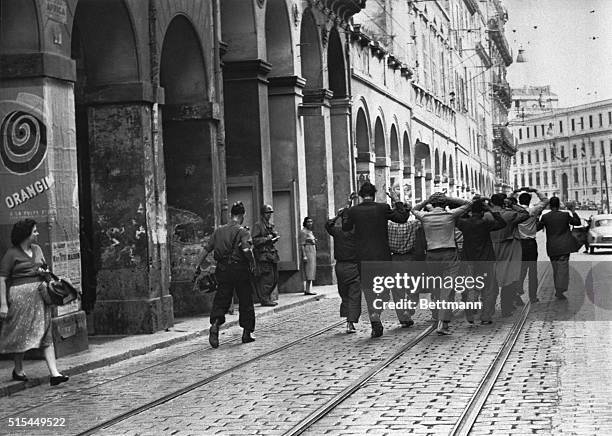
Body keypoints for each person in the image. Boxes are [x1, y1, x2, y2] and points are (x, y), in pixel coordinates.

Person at [0, 219, 69, 386]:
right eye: (35, 231)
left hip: (40, 296)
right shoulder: (11, 254)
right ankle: (18, 369)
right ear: (26, 235)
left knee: (46, 332)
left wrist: (45, 273)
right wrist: (3, 303)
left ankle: (54, 373)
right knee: (20, 332)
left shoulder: (37, 249)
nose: (37, 234)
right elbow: (1, 279)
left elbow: (46, 269)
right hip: (19, 298)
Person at [342, 181, 410, 338]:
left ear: (360, 195)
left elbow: (345, 227)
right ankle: (377, 313)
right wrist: (396, 199)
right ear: (374, 194)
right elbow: (402, 218)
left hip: (362, 258)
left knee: (368, 289)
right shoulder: (382, 208)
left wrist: (347, 206)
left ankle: (374, 318)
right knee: (385, 290)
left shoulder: (354, 211)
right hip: (382, 257)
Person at [196, 202, 257, 348]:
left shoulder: (219, 231)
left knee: (222, 298)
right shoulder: (243, 232)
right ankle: (247, 333)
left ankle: (215, 324)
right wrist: (252, 263)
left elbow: (205, 250)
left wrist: (197, 266)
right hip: (240, 270)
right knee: (245, 300)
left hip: (223, 270)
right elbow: (246, 250)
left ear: (231, 214)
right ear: (242, 216)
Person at [412, 192, 473, 335]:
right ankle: (443, 322)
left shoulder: (425, 216)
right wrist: (447, 198)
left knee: (437, 288)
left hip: (432, 255)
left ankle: (439, 316)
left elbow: (414, 209)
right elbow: (468, 204)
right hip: (449, 254)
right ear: (444, 203)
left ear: (432, 204)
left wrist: (428, 198)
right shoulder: (450, 215)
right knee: (448, 288)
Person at [456, 199, 507, 324]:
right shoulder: (486, 223)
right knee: (487, 288)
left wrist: (466, 209)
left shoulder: (465, 223)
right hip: (486, 259)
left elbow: (456, 219)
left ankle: (470, 311)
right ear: (483, 212)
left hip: (469, 260)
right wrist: (491, 209)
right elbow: (502, 223)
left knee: (470, 287)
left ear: (471, 212)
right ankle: (485, 316)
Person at [489, 193, 530, 317]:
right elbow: (525, 214)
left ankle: (489, 308)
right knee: (509, 277)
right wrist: (513, 204)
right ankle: (506, 308)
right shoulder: (510, 214)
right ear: (504, 202)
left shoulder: (487, 215)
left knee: (491, 279)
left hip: (490, 247)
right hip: (508, 247)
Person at [537, 198, 581, 299]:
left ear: (549, 205)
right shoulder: (565, 215)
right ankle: (560, 290)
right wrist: (573, 212)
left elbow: (537, 228)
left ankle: (558, 288)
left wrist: (538, 216)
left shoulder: (545, 217)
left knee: (556, 269)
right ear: (559, 205)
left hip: (552, 247)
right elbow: (577, 223)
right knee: (563, 269)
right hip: (564, 246)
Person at [326, 204, 360, 333]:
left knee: (344, 294)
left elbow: (328, 225)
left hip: (339, 267)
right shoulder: (355, 232)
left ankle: (348, 319)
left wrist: (337, 215)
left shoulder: (338, 231)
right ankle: (350, 322)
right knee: (354, 295)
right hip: (353, 266)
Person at [387, 217, 424, 327]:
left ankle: (403, 318)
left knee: (397, 291)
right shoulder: (413, 225)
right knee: (414, 288)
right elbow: (421, 216)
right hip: (410, 259)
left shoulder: (388, 226)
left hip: (394, 260)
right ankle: (409, 309)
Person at [514, 188, 549, 303]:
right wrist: (535, 190)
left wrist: (515, 191)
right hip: (531, 244)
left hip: (519, 243)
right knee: (533, 271)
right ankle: (533, 296)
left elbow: (507, 200)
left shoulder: (516, 211)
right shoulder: (533, 211)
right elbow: (545, 200)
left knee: (520, 270)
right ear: (529, 201)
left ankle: (517, 294)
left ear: (519, 200)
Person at [252, 204, 280, 307]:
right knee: (267, 278)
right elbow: (254, 240)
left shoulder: (269, 225)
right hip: (263, 255)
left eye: (270, 213)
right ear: (263, 214)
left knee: (275, 278)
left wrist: (274, 236)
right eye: (267, 213)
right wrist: (267, 238)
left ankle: (267, 297)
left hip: (271, 254)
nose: (269, 215)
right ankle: (264, 299)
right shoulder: (258, 225)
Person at [299, 217, 317, 295]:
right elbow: (302, 244)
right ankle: (307, 289)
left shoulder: (310, 231)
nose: (310, 223)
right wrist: (304, 255)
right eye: (308, 222)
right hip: (308, 250)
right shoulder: (303, 232)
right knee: (308, 270)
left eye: (311, 221)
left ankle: (308, 289)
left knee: (311, 269)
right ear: (305, 223)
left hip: (312, 250)